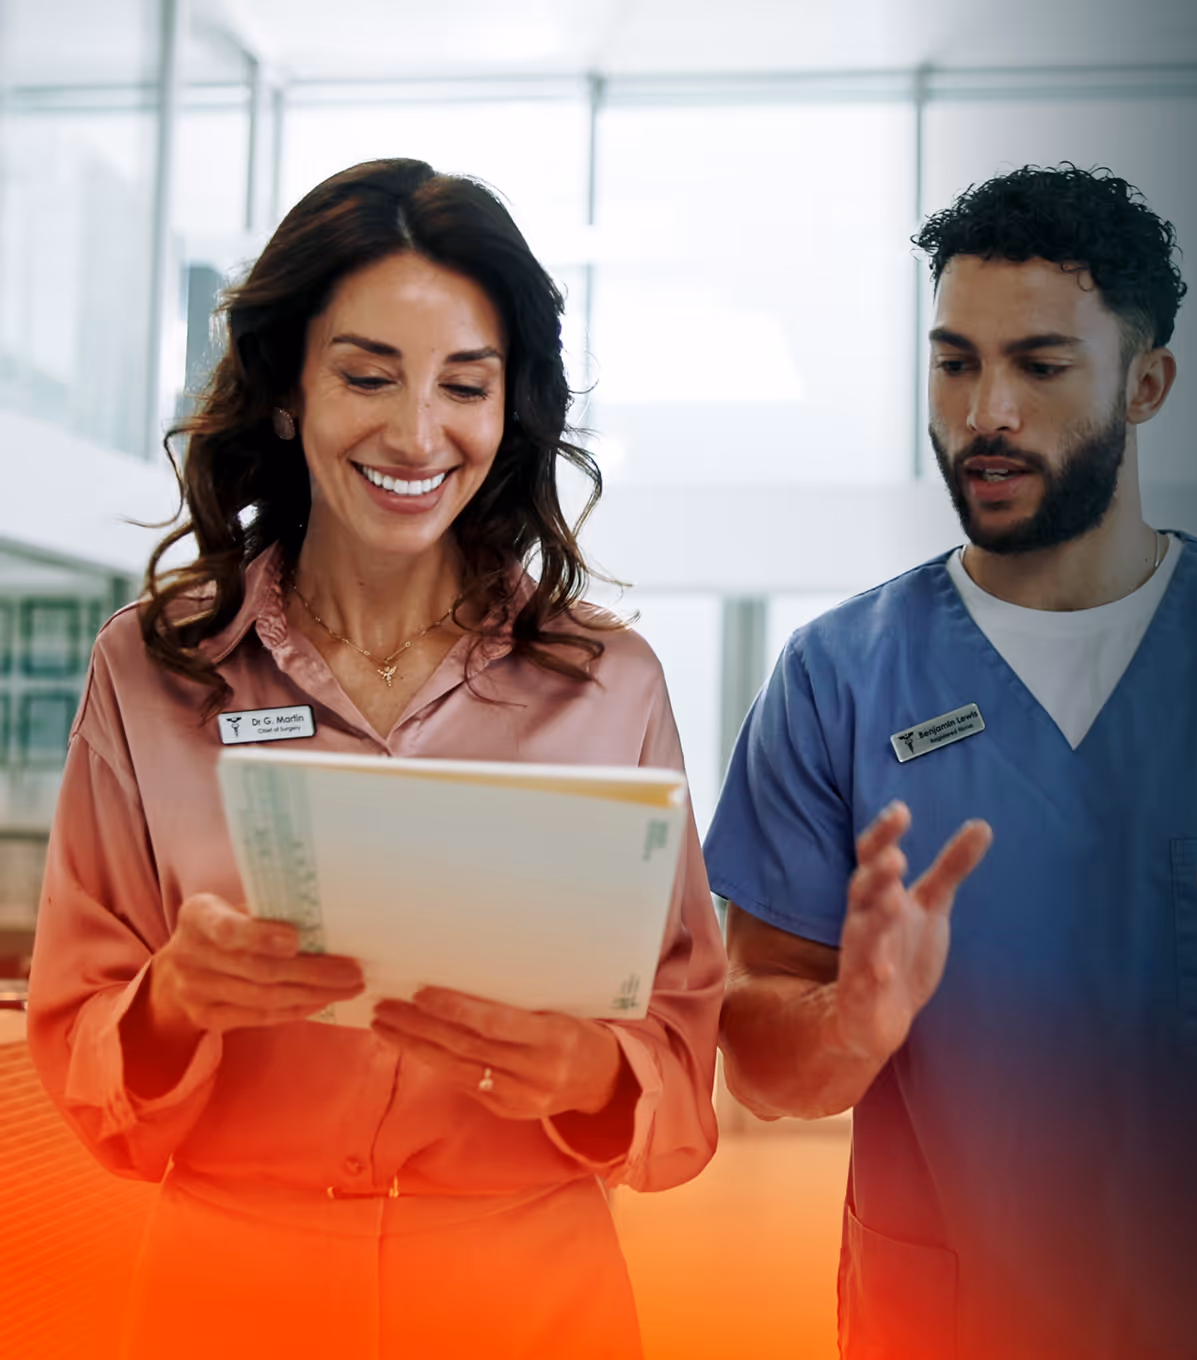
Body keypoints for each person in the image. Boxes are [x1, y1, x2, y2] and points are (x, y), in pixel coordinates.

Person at [703, 165, 1197, 1358]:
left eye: (1039, 366)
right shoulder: (836, 676)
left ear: (1147, 385)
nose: (987, 412)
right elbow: (759, 1058)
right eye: (955, 362)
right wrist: (851, 1022)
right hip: (946, 1320)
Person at [26, 158, 724, 1359]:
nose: (416, 433)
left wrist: (588, 1076)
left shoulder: (614, 687)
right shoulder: (150, 671)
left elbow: (682, 1064)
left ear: (511, 413)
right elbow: (79, 1050)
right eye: (366, 376)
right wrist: (173, 1007)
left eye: (466, 384)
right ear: (289, 391)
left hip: (527, 1296)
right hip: (229, 1298)